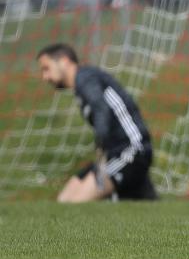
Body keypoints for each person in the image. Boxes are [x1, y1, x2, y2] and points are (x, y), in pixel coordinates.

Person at [37, 43, 157, 202]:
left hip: (132, 151)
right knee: (64, 199)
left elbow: (101, 108)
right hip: (115, 154)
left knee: (75, 203)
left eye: (47, 68)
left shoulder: (85, 79)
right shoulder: (82, 84)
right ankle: (143, 193)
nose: (45, 77)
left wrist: (100, 146)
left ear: (64, 61)